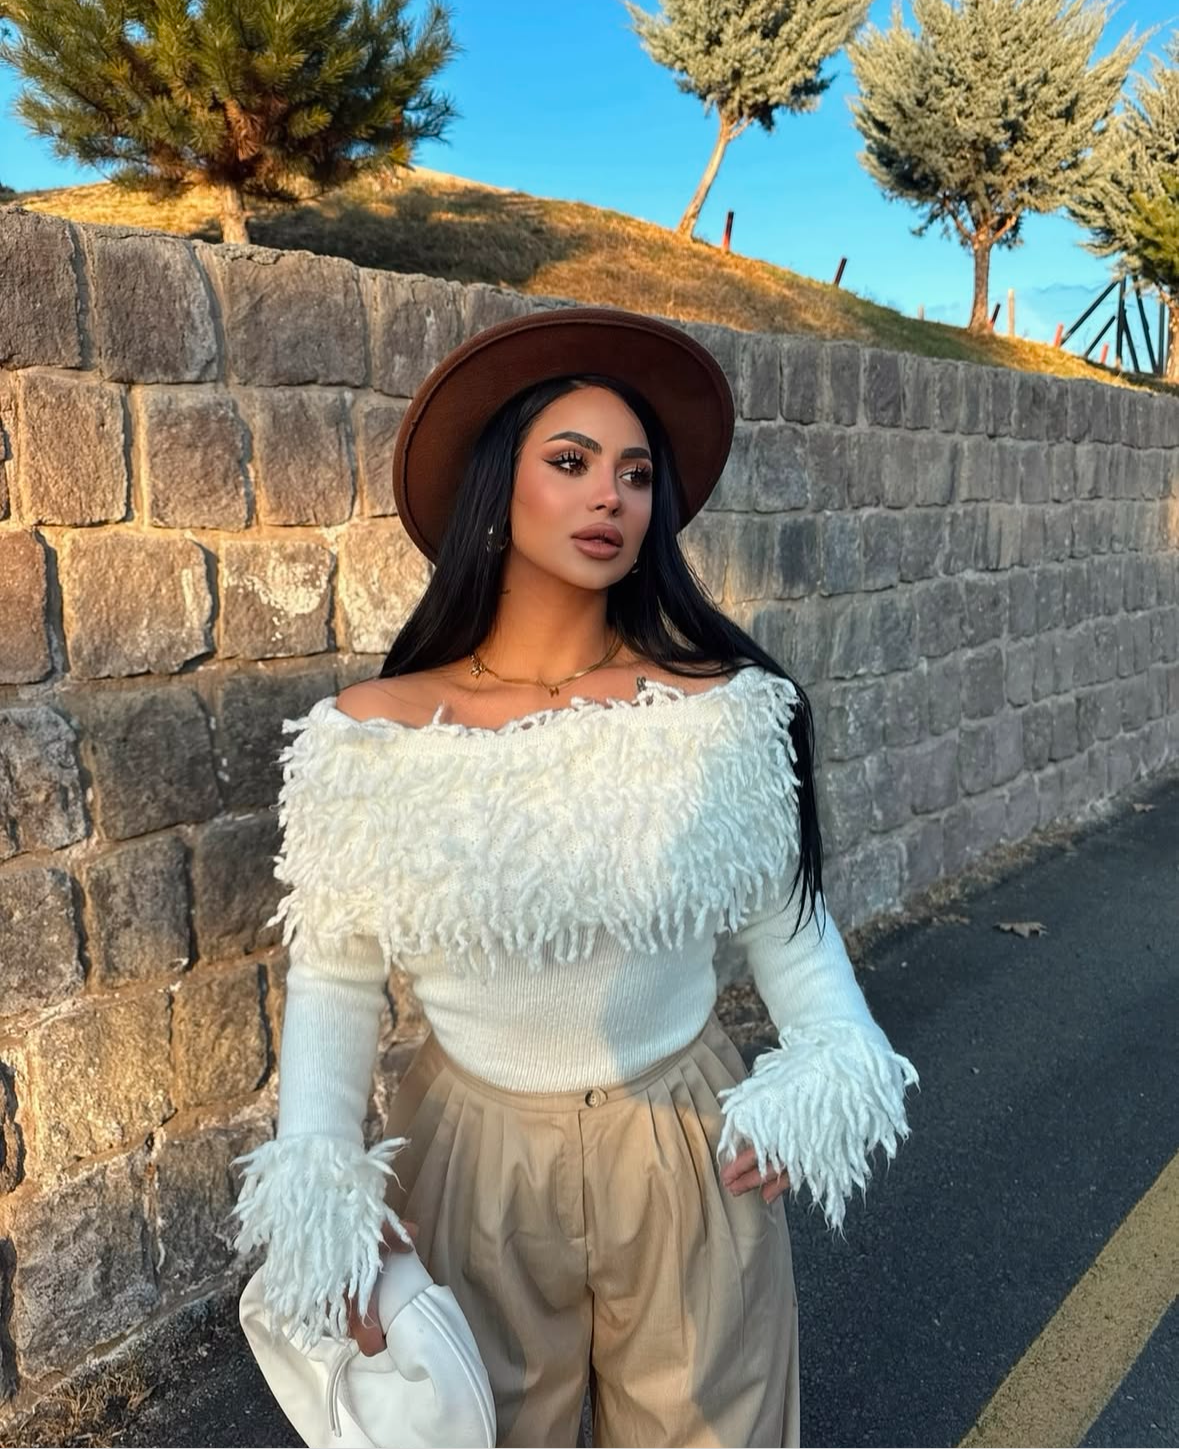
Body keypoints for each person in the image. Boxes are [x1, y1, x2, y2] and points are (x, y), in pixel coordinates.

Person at [232, 305, 920, 1449]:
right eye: (572, 462)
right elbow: (338, 978)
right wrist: (329, 1202)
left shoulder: (718, 711)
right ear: (500, 490)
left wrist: (821, 1078)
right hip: (469, 1156)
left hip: (687, 1145)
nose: (612, 496)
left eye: (637, 473)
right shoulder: (372, 734)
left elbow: (790, 930)